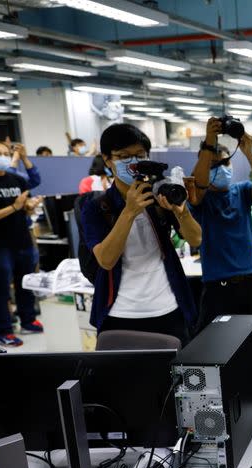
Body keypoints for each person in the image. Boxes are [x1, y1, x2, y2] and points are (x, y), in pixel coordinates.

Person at [80, 124, 201, 345]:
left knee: (174, 378)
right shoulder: (97, 207)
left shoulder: (159, 197)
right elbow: (106, 260)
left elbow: (196, 239)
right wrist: (129, 211)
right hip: (120, 313)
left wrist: (181, 213)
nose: (132, 162)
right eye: (123, 156)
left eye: (139, 155)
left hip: (168, 307)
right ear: (107, 160)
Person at [189, 118, 252, 330]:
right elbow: (198, 185)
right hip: (218, 286)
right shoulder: (200, 200)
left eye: (225, 163)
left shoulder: (242, 191)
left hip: (251, 281)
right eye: (213, 166)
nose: (221, 169)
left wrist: (249, 154)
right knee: (218, 349)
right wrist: (209, 141)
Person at [0, 140, 44, 346]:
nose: (3, 157)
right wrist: (15, 207)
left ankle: (28, 319)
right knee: (1, 289)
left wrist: (29, 206)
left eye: (6, 153)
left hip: (22, 240)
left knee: (26, 284)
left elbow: (25, 206)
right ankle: (3, 330)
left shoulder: (16, 179)